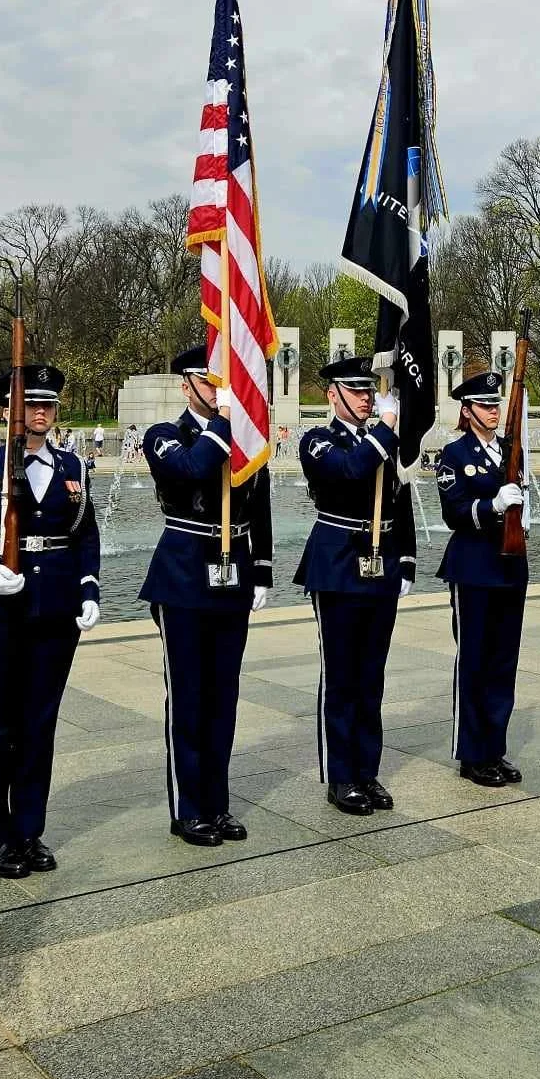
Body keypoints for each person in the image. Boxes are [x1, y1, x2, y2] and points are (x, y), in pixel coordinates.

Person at [0, 363, 102, 879]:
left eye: (48, 405)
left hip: (53, 608)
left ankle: (29, 830)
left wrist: (88, 588)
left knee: (39, 724)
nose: (40, 413)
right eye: (30, 405)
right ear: (7, 411)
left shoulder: (73, 468)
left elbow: (85, 536)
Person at [139, 346, 273, 846]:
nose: (219, 388)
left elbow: (259, 504)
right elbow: (194, 469)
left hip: (232, 570)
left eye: (224, 380)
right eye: (209, 380)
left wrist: (261, 570)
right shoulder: (164, 436)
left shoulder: (244, 435)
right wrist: (223, 423)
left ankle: (217, 803)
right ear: (186, 385)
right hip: (183, 576)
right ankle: (188, 807)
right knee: (190, 697)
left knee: (223, 697)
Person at [295, 354, 416, 816]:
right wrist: (386, 428)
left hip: (381, 564)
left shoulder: (383, 442)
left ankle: (368, 770)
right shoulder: (318, 442)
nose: (367, 397)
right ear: (333, 395)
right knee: (342, 676)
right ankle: (341, 775)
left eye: (370, 390)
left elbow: (399, 502)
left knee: (371, 677)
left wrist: (405, 560)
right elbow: (350, 470)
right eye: (357, 390)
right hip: (338, 564)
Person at [434, 370, 529, 788]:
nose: (493, 411)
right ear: (467, 410)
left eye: (496, 405)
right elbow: (453, 512)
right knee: (473, 661)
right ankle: (471, 754)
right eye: (485, 405)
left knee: (503, 662)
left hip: (510, 565)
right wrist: (492, 504)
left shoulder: (512, 451)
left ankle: (495, 748)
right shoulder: (453, 455)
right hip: (473, 566)